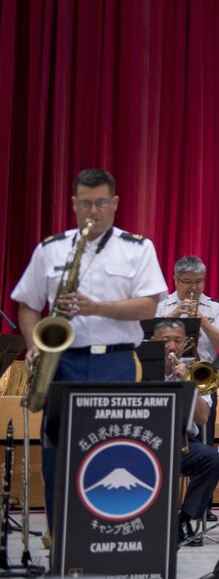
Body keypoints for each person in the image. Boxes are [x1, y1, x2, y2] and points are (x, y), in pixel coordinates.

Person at [11, 168, 167, 524]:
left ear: (114, 204)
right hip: (62, 362)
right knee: (56, 453)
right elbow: (28, 305)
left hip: (115, 362)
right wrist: (35, 344)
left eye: (100, 204)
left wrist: (94, 307)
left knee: (112, 451)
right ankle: (58, 538)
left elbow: (148, 306)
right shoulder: (50, 249)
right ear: (73, 204)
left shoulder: (137, 249)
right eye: (85, 204)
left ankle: (107, 535)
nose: (92, 212)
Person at [151, 319, 219, 547]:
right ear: (154, 341)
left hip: (180, 442)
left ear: (185, 343)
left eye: (177, 341)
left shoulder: (193, 374)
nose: (172, 346)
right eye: (165, 341)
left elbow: (202, 418)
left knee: (212, 458)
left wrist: (186, 383)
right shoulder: (140, 369)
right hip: (146, 441)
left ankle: (184, 519)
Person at [157, 255, 219, 440]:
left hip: (201, 378)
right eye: (188, 282)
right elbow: (148, 339)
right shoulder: (161, 306)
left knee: (204, 438)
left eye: (199, 281)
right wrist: (175, 313)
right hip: (165, 376)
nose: (194, 287)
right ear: (176, 280)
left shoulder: (215, 308)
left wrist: (203, 322)